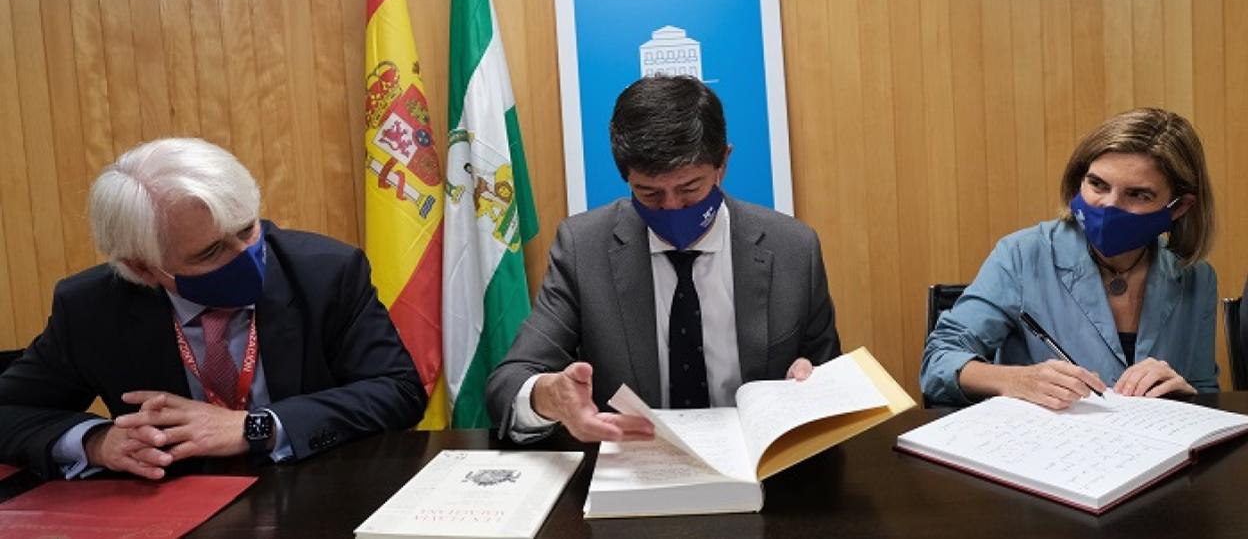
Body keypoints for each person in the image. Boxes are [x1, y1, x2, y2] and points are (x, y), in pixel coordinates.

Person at [0, 138, 426, 480]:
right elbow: (10, 411)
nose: (247, 255)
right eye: (211, 252)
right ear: (143, 268)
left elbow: (398, 390)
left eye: (247, 229)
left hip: (314, 499)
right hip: (169, 513)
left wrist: (255, 426)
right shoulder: (91, 308)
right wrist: (96, 441)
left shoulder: (326, 272)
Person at [486, 76, 841, 442]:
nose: (672, 207)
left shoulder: (793, 249)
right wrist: (548, 395)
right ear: (626, 179)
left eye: (690, 188)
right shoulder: (583, 249)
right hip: (633, 469)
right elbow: (508, 381)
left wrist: (812, 387)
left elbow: (827, 374)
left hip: (765, 475)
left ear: (723, 163)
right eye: (649, 192)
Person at [921, 108, 1218, 408]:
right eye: (1098, 184)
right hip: (1047, 449)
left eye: (1138, 194)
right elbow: (939, 360)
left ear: (1179, 207)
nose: (1108, 206)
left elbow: (1206, 389)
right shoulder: (1022, 255)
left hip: (1153, 449)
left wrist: (1186, 393)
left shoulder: (1197, 276)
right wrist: (1016, 381)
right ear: (1079, 181)